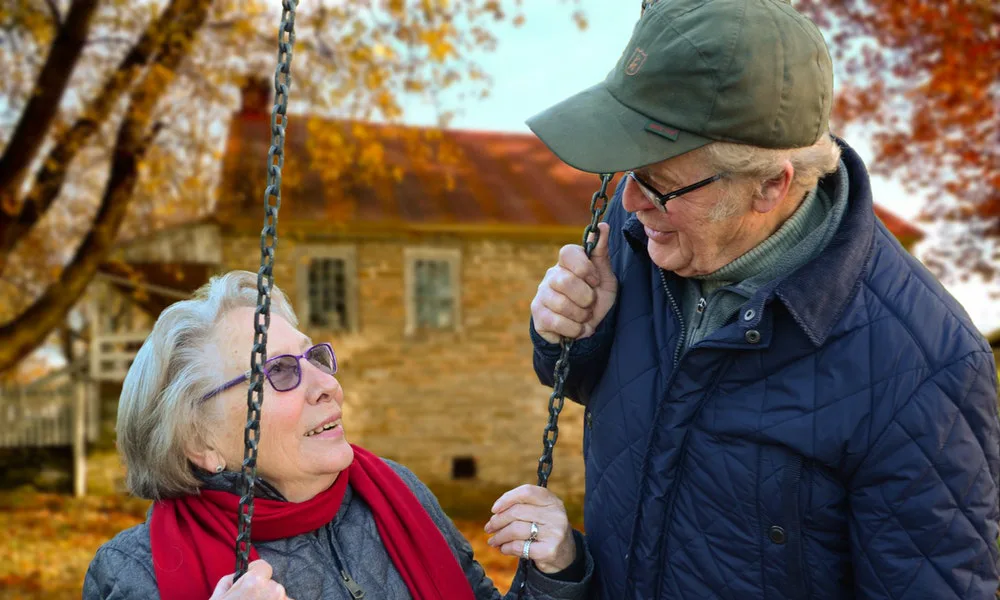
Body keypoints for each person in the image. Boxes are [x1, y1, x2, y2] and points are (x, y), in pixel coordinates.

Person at [526, 0, 1000, 598]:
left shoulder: (924, 367)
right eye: (627, 172)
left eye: (660, 185)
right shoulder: (641, 243)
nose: (630, 203)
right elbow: (610, 394)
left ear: (771, 185)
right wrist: (571, 338)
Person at [84, 270, 593, 600]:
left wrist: (556, 571)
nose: (326, 385)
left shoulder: (394, 493)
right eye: (280, 372)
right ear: (201, 442)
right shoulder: (134, 573)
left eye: (315, 358)